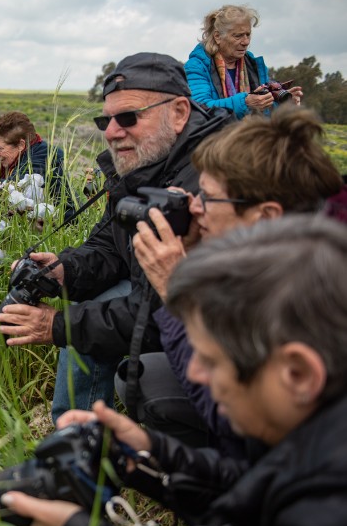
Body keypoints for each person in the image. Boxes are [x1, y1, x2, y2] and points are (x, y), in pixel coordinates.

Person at [0, 214, 347, 526]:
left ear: (299, 374)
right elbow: (250, 490)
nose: (193, 371)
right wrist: (151, 456)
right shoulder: (309, 437)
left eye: (211, 360)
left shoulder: (328, 525)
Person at [0, 52, 231, 423]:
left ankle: (129, 451)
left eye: (129, 118)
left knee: (87, 329)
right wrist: (62, 270)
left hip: (222, 337)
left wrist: (57, 325)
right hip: (158, 301)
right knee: (89, 310)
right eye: (106, 119)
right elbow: (111, 245)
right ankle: (76, 444)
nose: (112, 131)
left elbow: (163, 312)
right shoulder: (146, 161)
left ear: (180, 112)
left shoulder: (211, 182)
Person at [118, 105, 343, 454]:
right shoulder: (293, 246)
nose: (194, 206)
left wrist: (174, 285)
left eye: (208, 196)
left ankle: (229, 484)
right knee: (151, 373)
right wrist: (194, 259)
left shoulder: (312, 288)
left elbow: (230, 411)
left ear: (266, 215)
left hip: (307, 458)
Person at [184, 4, 303, 120]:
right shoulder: (197, 66)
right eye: (238, 36)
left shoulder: (253, 64)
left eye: (248, 34)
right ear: (217, 37)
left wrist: (283, 104)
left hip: (251, 137)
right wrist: (245, 103)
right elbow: (200, 108)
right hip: (216, 138)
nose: (246, 42)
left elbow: (265, 111)